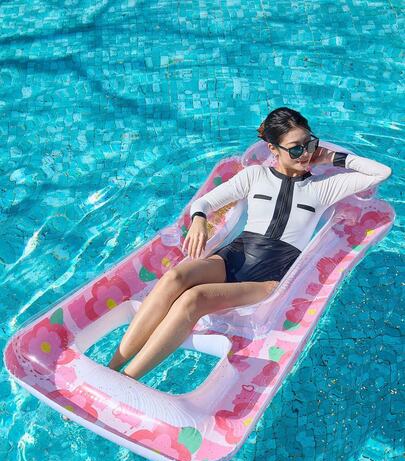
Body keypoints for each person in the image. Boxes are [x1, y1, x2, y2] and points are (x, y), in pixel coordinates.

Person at [107, 106, 392, 381]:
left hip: (269, 275)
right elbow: (204, 203)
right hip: (235, 255)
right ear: (273, 149)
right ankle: (112, 366)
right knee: (175, 277)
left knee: (193, 299)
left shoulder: (324, 188)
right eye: (295, 149)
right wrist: (198, 220)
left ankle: (128, 378)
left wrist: (332, 157)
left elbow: (381, 172)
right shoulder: (255, 176)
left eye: (309, 144)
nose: (305, 154)